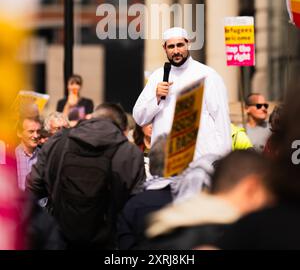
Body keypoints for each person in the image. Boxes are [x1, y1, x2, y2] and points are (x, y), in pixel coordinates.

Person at [26, 103, 145, 249]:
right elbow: (135, 202)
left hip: (60, 237)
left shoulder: (57, 142)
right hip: (107, 241)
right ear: (124, 130)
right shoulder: (129, 153)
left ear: (92, 118)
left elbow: (33, 184)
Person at [144, 150, 275, 250]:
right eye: (267, 193)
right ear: (251, 188)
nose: (269, 203)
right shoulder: (229, 237)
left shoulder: (166, 224)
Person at [133, 27, 231, 159]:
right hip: (166, 161)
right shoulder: (157, 76)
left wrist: (222, 159)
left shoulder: (208, 75)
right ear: (165, 48)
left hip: (199, 160)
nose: (176, 51)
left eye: (180, 45)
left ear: (188, 44)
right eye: (171, 47)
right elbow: (139, 117)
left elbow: (221, 119)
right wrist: (156, 99)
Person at [15, 109, 42, 191]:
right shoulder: (10, 155)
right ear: (19, 133)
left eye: (38, 131)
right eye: (31, 131)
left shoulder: (43, 156)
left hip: (36, 202)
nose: (36, 135)